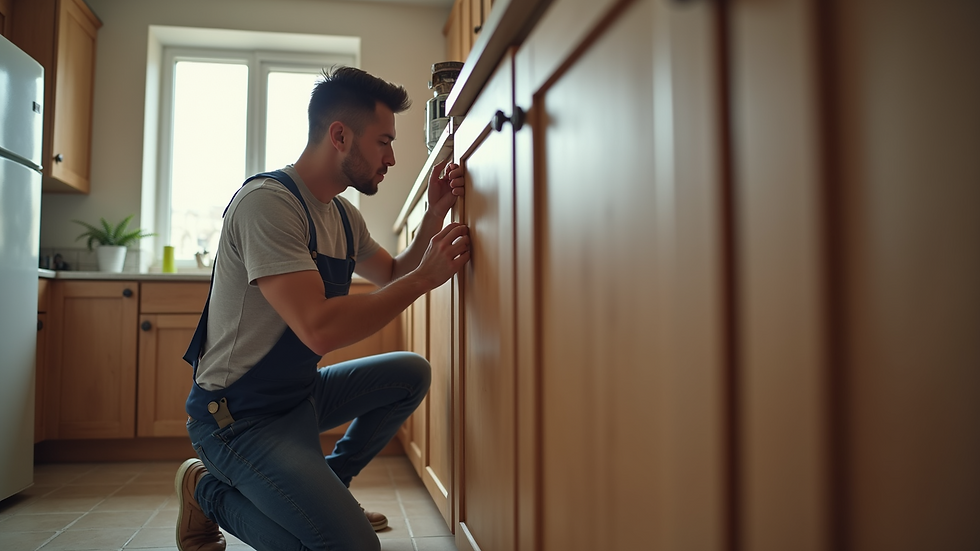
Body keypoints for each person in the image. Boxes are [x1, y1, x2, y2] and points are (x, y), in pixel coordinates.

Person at [174, 66, 470, 551]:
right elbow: (317, 329)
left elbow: (393, 272)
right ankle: (205, 490)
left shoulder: (342, 215)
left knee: (410, 373)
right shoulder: (268, 205)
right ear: (339, 136)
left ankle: (330, 485)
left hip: (298, 396)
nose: (392, 158)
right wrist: (424, 280)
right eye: (383, 142)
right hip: (237, 418)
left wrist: (434, 216)